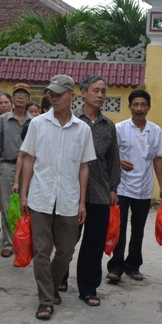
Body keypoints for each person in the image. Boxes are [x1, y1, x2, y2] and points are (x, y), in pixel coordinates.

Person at [20, 74, 96, 320]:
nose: (54, 98)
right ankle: (45, 300)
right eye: (51, 94)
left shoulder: (82, 129)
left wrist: (82, 202)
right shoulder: (38, 124)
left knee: (66, 250)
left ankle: (51, 287)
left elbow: (84, 166)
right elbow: (29, 159)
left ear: (72, 96)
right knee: (41, 252)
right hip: (40, 197)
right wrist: (23, 194)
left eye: (59, 94)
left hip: (69, 199)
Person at [106, 89, 162, 283]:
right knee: (119, 228)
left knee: (138, 230)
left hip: (144, 189)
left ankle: (133, 266)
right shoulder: (119, 128)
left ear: (149, 107)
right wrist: (119, 161)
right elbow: (109, 155)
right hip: (122, 188)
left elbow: (157, 159)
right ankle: (116, 267)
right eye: (136, 104)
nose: (139, 108)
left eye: (143, 105)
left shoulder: (155, 131)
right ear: (130, 107)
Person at [70, 75, 120, 306]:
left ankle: (88, 288)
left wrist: (113, 188)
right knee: (66, 241)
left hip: (99, 192)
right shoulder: (71, 120)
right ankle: (60, 278)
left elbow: (114, 160)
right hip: (71, 191)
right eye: (96, 90)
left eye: (103, 91)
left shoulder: (108, 126)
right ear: (83, 92)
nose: (100, 95)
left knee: (94, 243)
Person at [0, 83, 33, 257]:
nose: (20, 97)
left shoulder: (34, 122)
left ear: (28, 99)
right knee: (6, 206)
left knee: (26, 205)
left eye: (24, 95)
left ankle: (23, 242)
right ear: (12, 98)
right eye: (17, 94)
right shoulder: (2, 120)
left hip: (29, 168)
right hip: (7, 166)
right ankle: (8, 244)